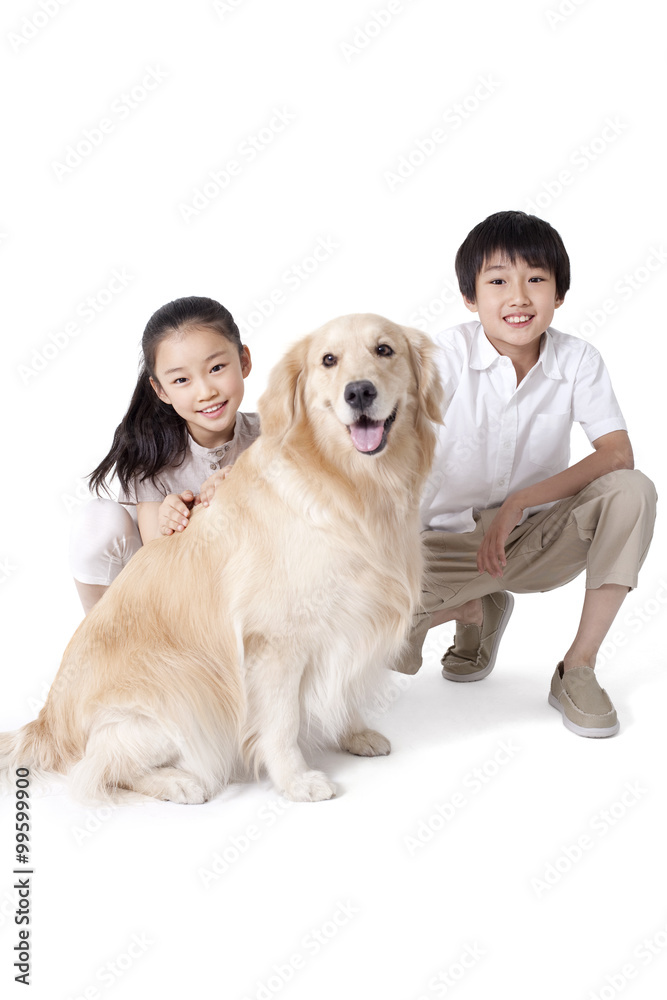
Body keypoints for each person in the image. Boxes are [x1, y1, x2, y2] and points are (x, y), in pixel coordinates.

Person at [397, 211, 657, 738]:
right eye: (497, 281)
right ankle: (475, 607)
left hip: (536, 540)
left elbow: (616, 453)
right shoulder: (440, 357)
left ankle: (577, 668)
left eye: (536, 279)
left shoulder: (578, 360)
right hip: (441, 546)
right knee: (382, 647)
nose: (518, 297)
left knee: (633, 491)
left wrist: (518, 504)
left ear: (559, 293)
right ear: (470, 297)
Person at [70, 296, 259, 614]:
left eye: (216, 368)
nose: (205, 391)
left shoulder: (277, 435)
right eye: (181, 380)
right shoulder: (152, 451)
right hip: (170, 594)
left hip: (248, 588)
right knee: (98, 522)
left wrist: (241, 491)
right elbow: (162, 565)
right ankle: (104, 638)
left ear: (244, 361)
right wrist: (176, 521)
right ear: (161, 390)